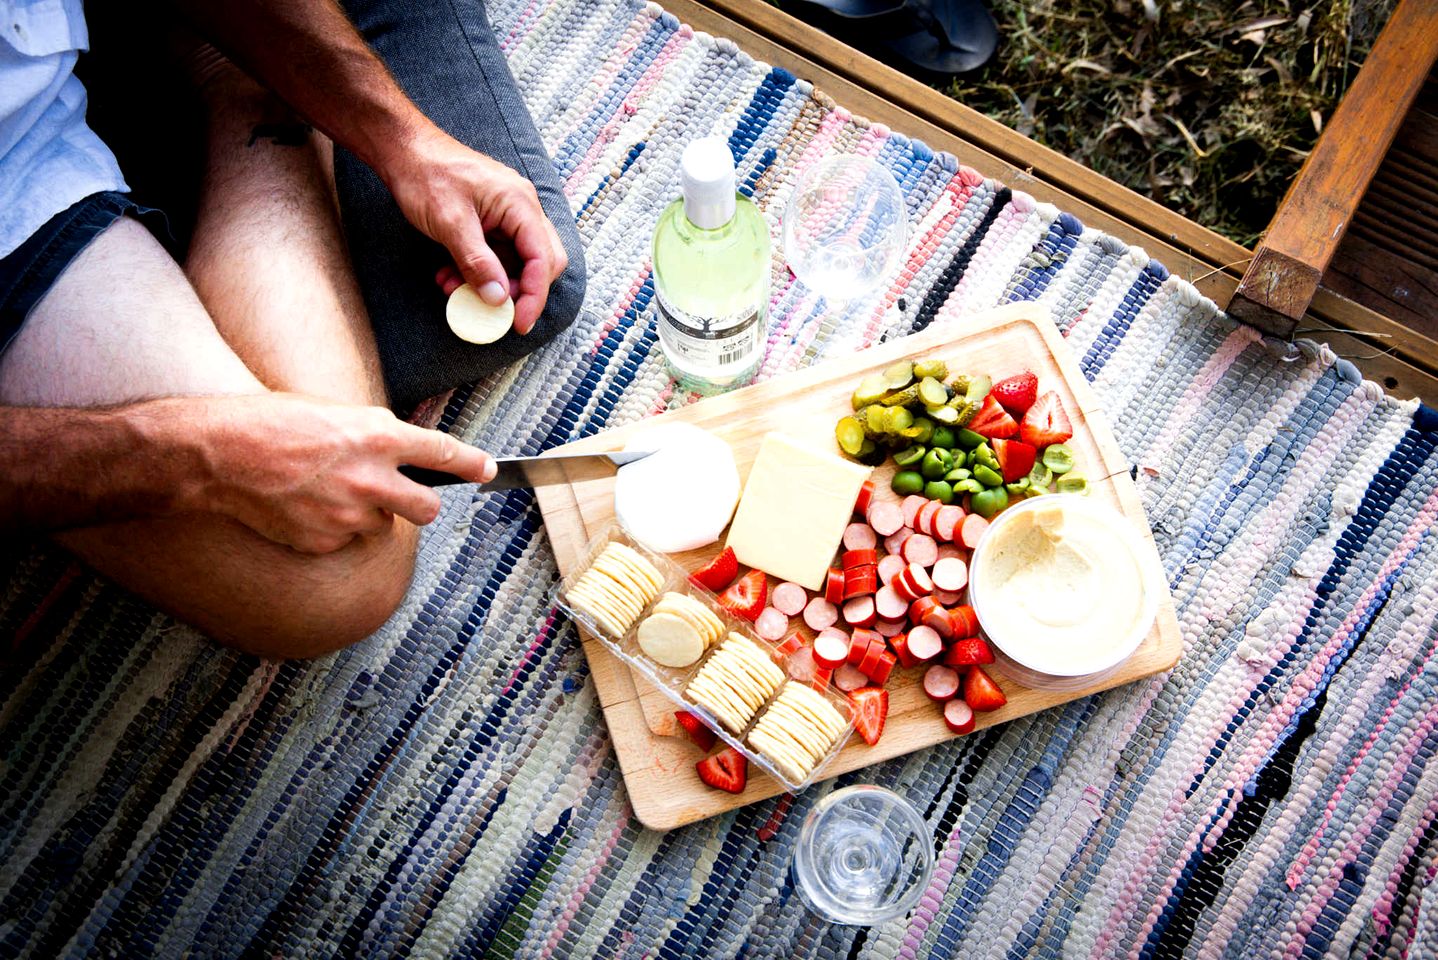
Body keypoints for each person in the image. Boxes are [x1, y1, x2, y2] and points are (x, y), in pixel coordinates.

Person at [0, 0, 587, 659]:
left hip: (25, 123)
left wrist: (408, 143)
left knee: (534, 286)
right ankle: (250, 84)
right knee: (341, 576)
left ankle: (234, 67)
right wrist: (198, 454)